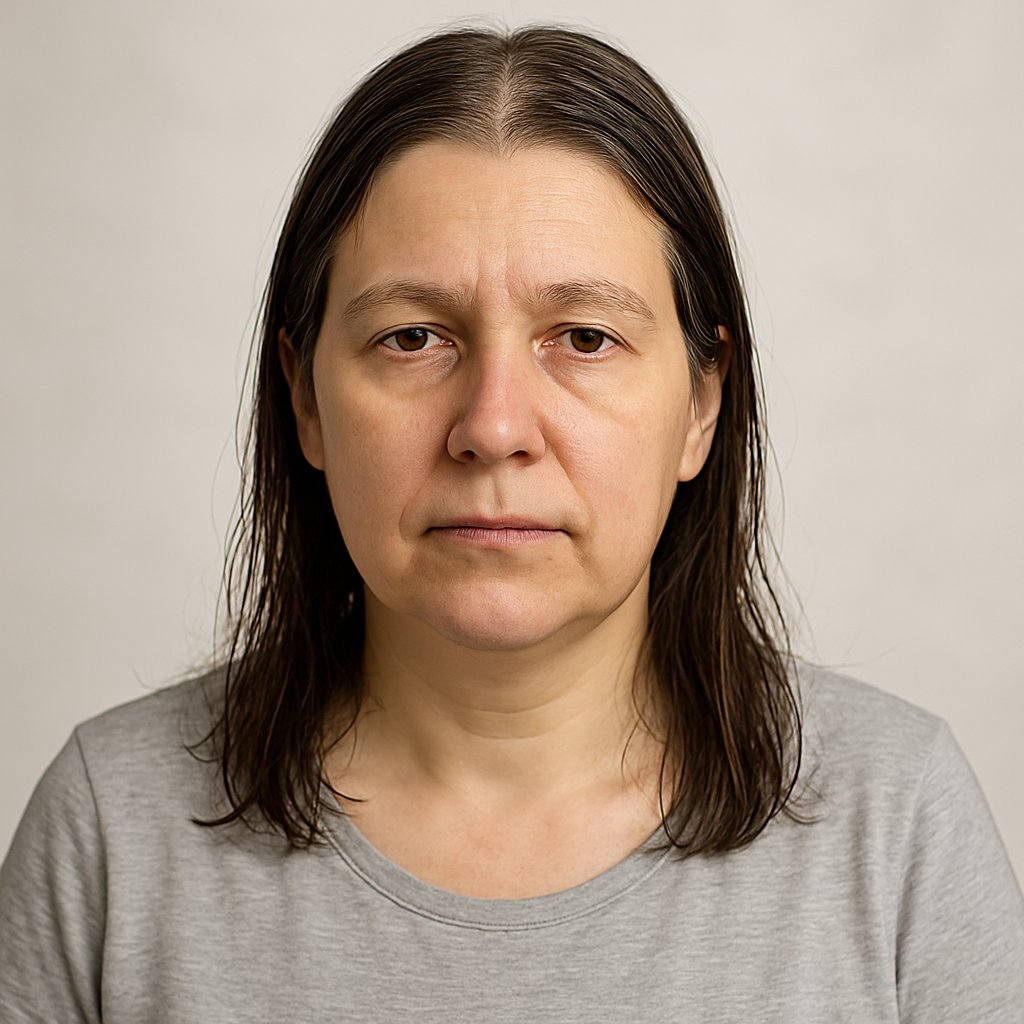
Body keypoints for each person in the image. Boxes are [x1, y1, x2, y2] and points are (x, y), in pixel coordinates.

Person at [1, 25, 1021, 1023]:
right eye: (412, 337)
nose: (492, 428)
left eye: (584, 337)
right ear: (305, 398)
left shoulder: (899, 831)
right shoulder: (109, 834)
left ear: (702, 403)